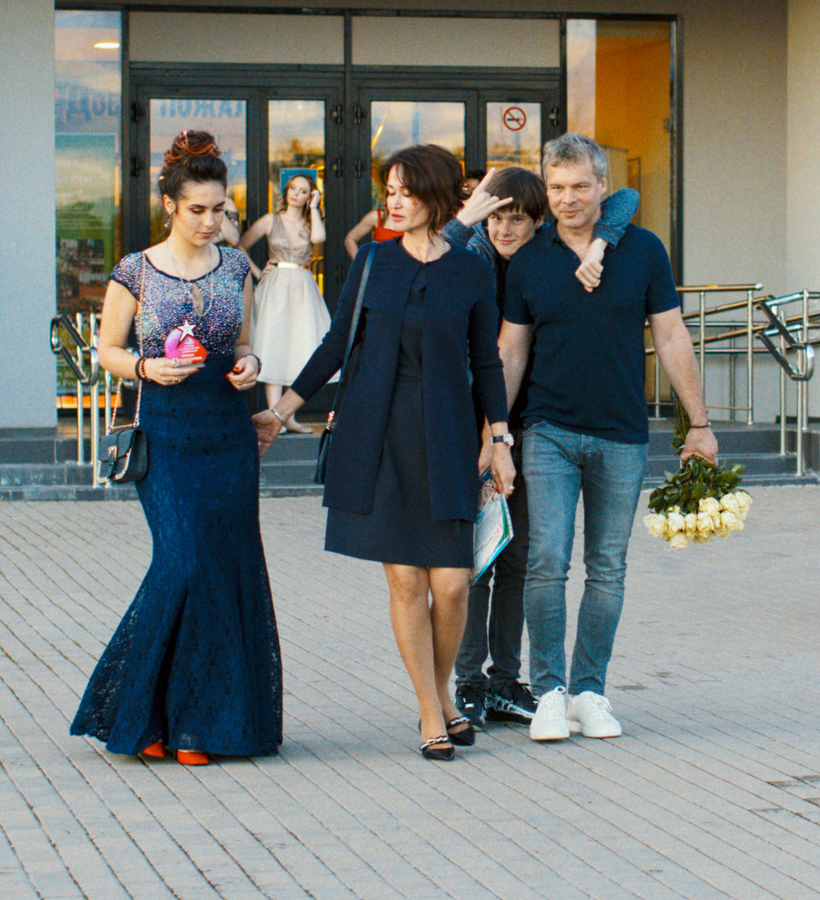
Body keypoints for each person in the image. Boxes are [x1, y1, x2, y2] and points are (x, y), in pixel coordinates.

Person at [281, 143, 512, 761]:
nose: (395, 200)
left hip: (446, 432)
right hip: (377, 431)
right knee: (407, 579)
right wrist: (281, 410)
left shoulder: (469, 268)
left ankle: (438, 693)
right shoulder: (374, 262)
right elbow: (336, 344)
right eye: (391, 190)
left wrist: (500, 436)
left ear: (437, 198)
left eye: (407, 191)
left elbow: (486, 360)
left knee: (455, 584)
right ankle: (431, 710)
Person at [70, 132, 281, 766]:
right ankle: (139, 710)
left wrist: (249, 367)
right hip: (164, 431)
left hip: (226, 431)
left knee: (225, 572)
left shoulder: (237, 267)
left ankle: (200, 725)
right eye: (198, 210)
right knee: (184, 561)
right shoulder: (134, 270)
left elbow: (244, 344)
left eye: (220, 209)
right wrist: (141, 368)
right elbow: (106, 349)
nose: (212, 221)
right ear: (169, 205)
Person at [499, 133, 716, 741]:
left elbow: (672, 338)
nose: (566, 199)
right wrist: (493, 435)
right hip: (548, 431)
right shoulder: (529, 260)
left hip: (623, 433)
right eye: (556, 187)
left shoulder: (643, 251)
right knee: (545, 561)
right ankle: (547, 693)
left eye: (578, 187)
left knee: (607, 567)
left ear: (603, 188)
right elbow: (511, 351)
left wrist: (698, 424)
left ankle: (589, 691)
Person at [440, 168, 635, 730]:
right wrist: (466, 216)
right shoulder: (469, 258)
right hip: (473, 428)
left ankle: (506, 679)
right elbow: (421, 259)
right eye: (496, 216)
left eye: (518, 218)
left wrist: (602, 238)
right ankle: (469, 679)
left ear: (538, 220)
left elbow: (623, 198)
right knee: (479, 558)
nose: (505, 228)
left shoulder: (552, 257)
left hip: (533, 431)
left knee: (521, 559)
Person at [241, 172, 331, 418]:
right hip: (276, 283)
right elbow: (240, 246)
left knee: (299, 343)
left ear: (310, 196)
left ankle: (287, 414)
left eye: (303, 191)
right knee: (275, 343)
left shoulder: (312, 221)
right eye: (293, 188)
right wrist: (259, 271)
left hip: (302, 284)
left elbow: (320, 239)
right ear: (286, 191)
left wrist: (314, 207)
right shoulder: (271, 219)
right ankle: (275, 415)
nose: (296, 194)